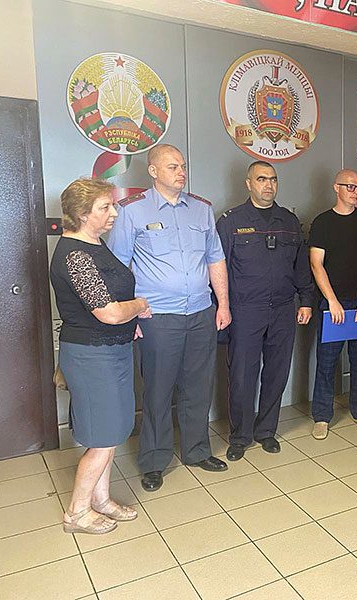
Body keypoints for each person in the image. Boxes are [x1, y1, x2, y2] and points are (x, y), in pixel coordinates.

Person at [108, 144, 231, 492]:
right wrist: (130, 314)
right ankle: (154, 460)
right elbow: (118, 267)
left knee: (198, 387)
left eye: (183, 166)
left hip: (201, 312)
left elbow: (215, 259)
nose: (181, 172)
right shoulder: (132, 211)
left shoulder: (202, 210)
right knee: (158, 391)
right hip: (158, 317)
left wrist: (223, 304)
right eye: (172, 166)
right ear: (153, 171)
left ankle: (196, 450)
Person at [51, 178, 151, 534]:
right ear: (82, 214)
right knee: (103, 438)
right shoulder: (76, 256)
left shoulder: (94, 243)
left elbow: (112, 303)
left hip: (113, 350)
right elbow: (107, 312)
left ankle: (101, 499)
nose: (114, 212)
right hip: (92, 355)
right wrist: (139, 306)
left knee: (111, 432)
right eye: (105, 207)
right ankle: (77, 513)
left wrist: (129, 321)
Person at [216, 161, 314, 459]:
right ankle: (240, 436)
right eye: (261, 179)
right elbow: (217, 269)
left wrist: (306, 300)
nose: (268, 185)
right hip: (246, 310)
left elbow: (301, 266)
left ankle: (266, 431)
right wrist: (221, 307)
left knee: (276, 374)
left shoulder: (289, 221)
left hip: (283, 309)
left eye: (273, 179)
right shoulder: (231, 221)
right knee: (242, 376)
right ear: (249, 183)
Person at [309, 169, 357, 440]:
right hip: (333, 307)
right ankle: (322, 416)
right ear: (335, 188)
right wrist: (332, 301)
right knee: (327, 363)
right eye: (349, 186)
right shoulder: (322, 223)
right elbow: (316, 264)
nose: (355, 192)